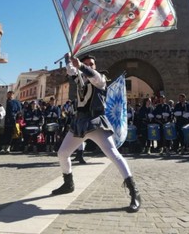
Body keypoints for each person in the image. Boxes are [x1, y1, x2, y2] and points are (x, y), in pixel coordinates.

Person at [51, 53, 141, 213]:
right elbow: (72, 71)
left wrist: (82, 66)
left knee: (114, 155)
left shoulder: (100, 79)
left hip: (96, 122)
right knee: (62, 153)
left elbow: (92, 75)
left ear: (94, 66)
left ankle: (134, 192)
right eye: (86, 63)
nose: (89, 66)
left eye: (91, 64)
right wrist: (68, 59)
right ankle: (68, 183)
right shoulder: (79, 78)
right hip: (79, 123)